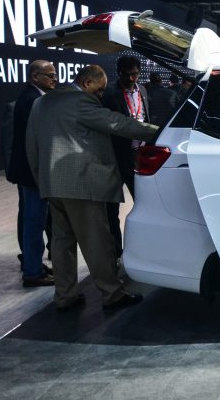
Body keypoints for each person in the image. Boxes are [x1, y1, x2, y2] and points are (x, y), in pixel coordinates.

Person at [25, 65, 159, 311]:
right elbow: (117, 123)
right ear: (87, 83)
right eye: (99, 90)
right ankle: (112, 293)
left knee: (61, 243)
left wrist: (41, 179)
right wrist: (159, 132)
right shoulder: (80, 102)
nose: (100, 96)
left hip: (52, 185)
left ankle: (65, 296)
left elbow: (31, 146)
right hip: (81, 186)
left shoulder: (42, 103)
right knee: (97, 241)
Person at [7, 60, 58, 287]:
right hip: (33, 172)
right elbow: (36, 140)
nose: (54, 79)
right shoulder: (33, 100)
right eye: (50, 75)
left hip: (31, 171)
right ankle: (33, 272)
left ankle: (34, 266)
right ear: (35, 76)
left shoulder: (32, 97)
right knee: (34, 221)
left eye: (54, 75)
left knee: (34, 220)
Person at [102, 56, 151, 257]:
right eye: (128, 74)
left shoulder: (143, 90)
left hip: (140, 156)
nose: (132, 78)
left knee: (144, 203)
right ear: (119, 73)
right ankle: (115, 251)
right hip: (116, 156)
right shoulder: (109, 94)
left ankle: (143, 249)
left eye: (135, 74)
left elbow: (145, 117)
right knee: (111, 208)